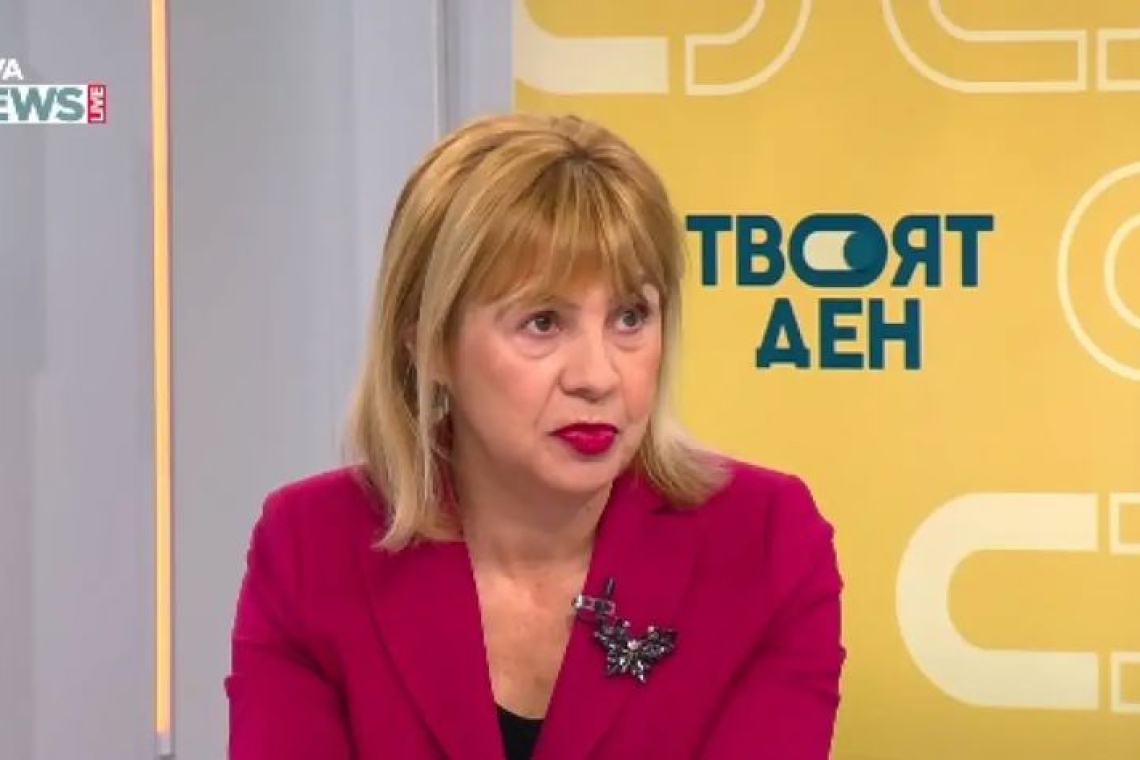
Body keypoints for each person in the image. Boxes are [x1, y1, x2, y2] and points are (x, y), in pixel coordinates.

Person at [226, 112, 844, 759]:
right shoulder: (310, 549)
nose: (597, 376)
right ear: (430, 343)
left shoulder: (765, 544)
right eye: (543, 322)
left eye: (630, 317)